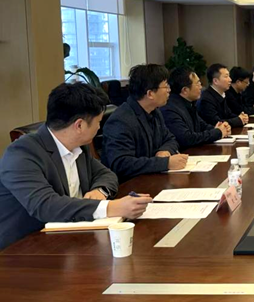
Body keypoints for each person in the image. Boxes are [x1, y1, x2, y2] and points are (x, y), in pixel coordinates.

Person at [0, 83, 152, 250]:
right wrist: (110, 208)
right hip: (25, 250)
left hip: (72, 238)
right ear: (79, 125)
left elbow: (106, 175)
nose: (99, 127)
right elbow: (45, 206)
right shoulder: (22, 154)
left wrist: (100, 191)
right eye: (98, 122)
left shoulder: (78, 146)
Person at [102, 64, 188, 181]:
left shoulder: (154, 112)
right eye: (165, 86)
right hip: (129, 185)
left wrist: (165, 150)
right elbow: (121, 164)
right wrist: (164, 163)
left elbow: (170, 138)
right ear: (150, 94)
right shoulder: (120, 121)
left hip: (152, 178)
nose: (169, 90)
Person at [161, 67, 231, 150]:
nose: (201, 87)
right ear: (185, 90)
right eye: (198, 84)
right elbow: (186, 138)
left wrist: (220, 128)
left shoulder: (189, 104)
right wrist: (217, 132)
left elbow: (201, 125)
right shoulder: (170, 109)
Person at [198, 63, 248, 129]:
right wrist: (238, 120)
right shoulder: (206, 99)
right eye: (226, 76)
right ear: (215, 81)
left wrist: (241, 117)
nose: (230, 80)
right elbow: (216, 122)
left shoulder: (222, 94)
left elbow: (228, 114)